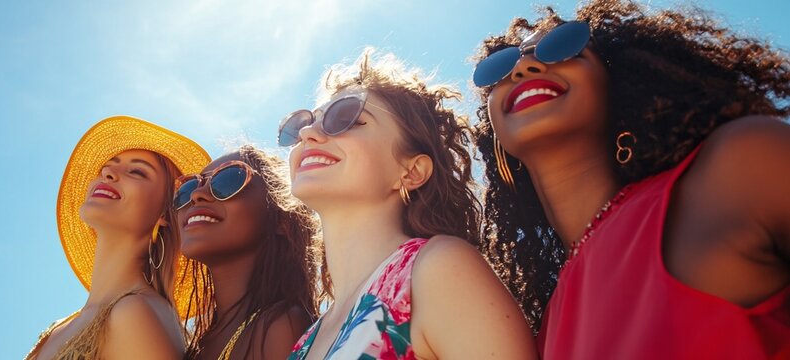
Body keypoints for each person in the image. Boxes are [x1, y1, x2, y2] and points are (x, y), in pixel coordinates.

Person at [471, 0, 790, 358]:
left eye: (562, 45)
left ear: (617, 83)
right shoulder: (541, 336)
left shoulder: (736, 170)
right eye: (497, 68)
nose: (524, 67)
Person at [280, 49, 536, 359]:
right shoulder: (305, 342)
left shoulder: (438, 269)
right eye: (305, 124)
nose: (308, 133)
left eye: (346, 118)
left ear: (412, 171)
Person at [26, 116, 209, 359]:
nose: (108, 172)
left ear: (166, 212)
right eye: (107, 165)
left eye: (136, 171)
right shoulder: (61, 326)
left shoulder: (134, 313)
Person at [174, 145, 319, 359]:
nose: (196, 194)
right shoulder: (200, 341)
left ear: (282, 219)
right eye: (187, 189)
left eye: (228, 180)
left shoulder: (281, 326)